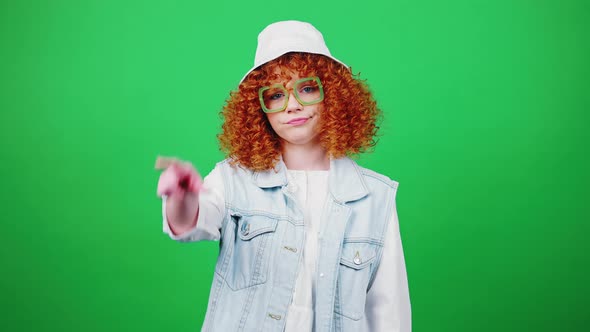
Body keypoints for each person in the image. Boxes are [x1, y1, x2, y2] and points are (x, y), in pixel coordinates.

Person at [155, 20, 411, 332]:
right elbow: (191, 225)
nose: (292, 105)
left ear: (332, 95)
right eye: (275, 95)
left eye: (307, 88)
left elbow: (388, 311)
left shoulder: (375, 196)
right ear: (259, 108)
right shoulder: (232, 178)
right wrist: (182, 197)